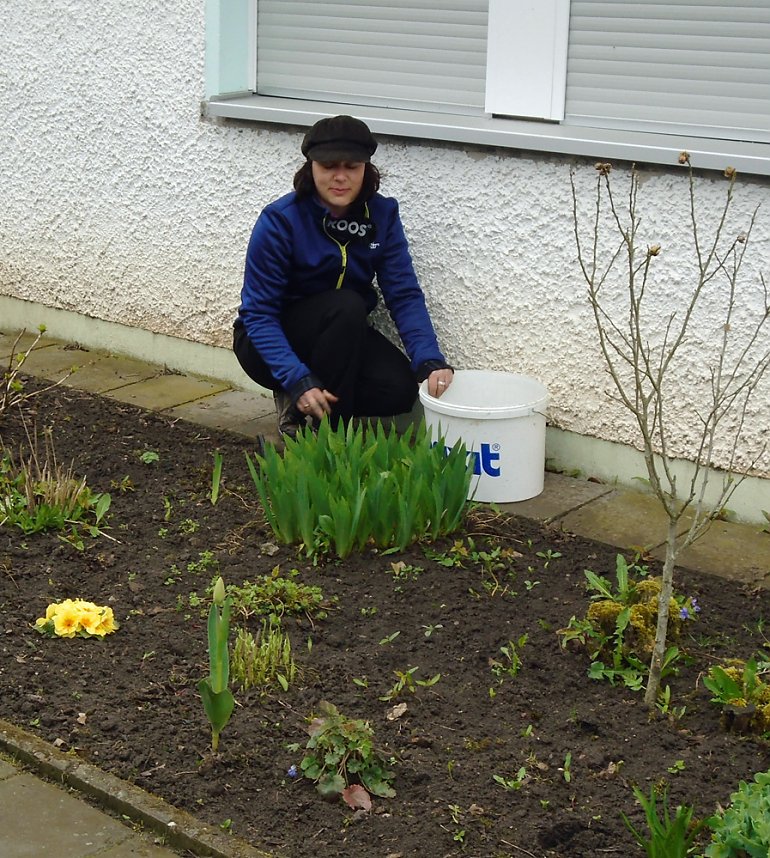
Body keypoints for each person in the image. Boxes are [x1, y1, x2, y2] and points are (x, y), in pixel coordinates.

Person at [233, 114, 453, 438]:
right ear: (311, 167)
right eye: (328, 166)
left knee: (399, 389)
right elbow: (259, 313)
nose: (340, 177)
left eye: (351, 167)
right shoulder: (280, 220)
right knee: (347, 305)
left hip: (341, 336)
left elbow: (403, 293)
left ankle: (305, 404)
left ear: (366, 169)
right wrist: (295, 377)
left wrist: (429, 360)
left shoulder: (382, 216)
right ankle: (333, 442)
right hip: (269, 338)